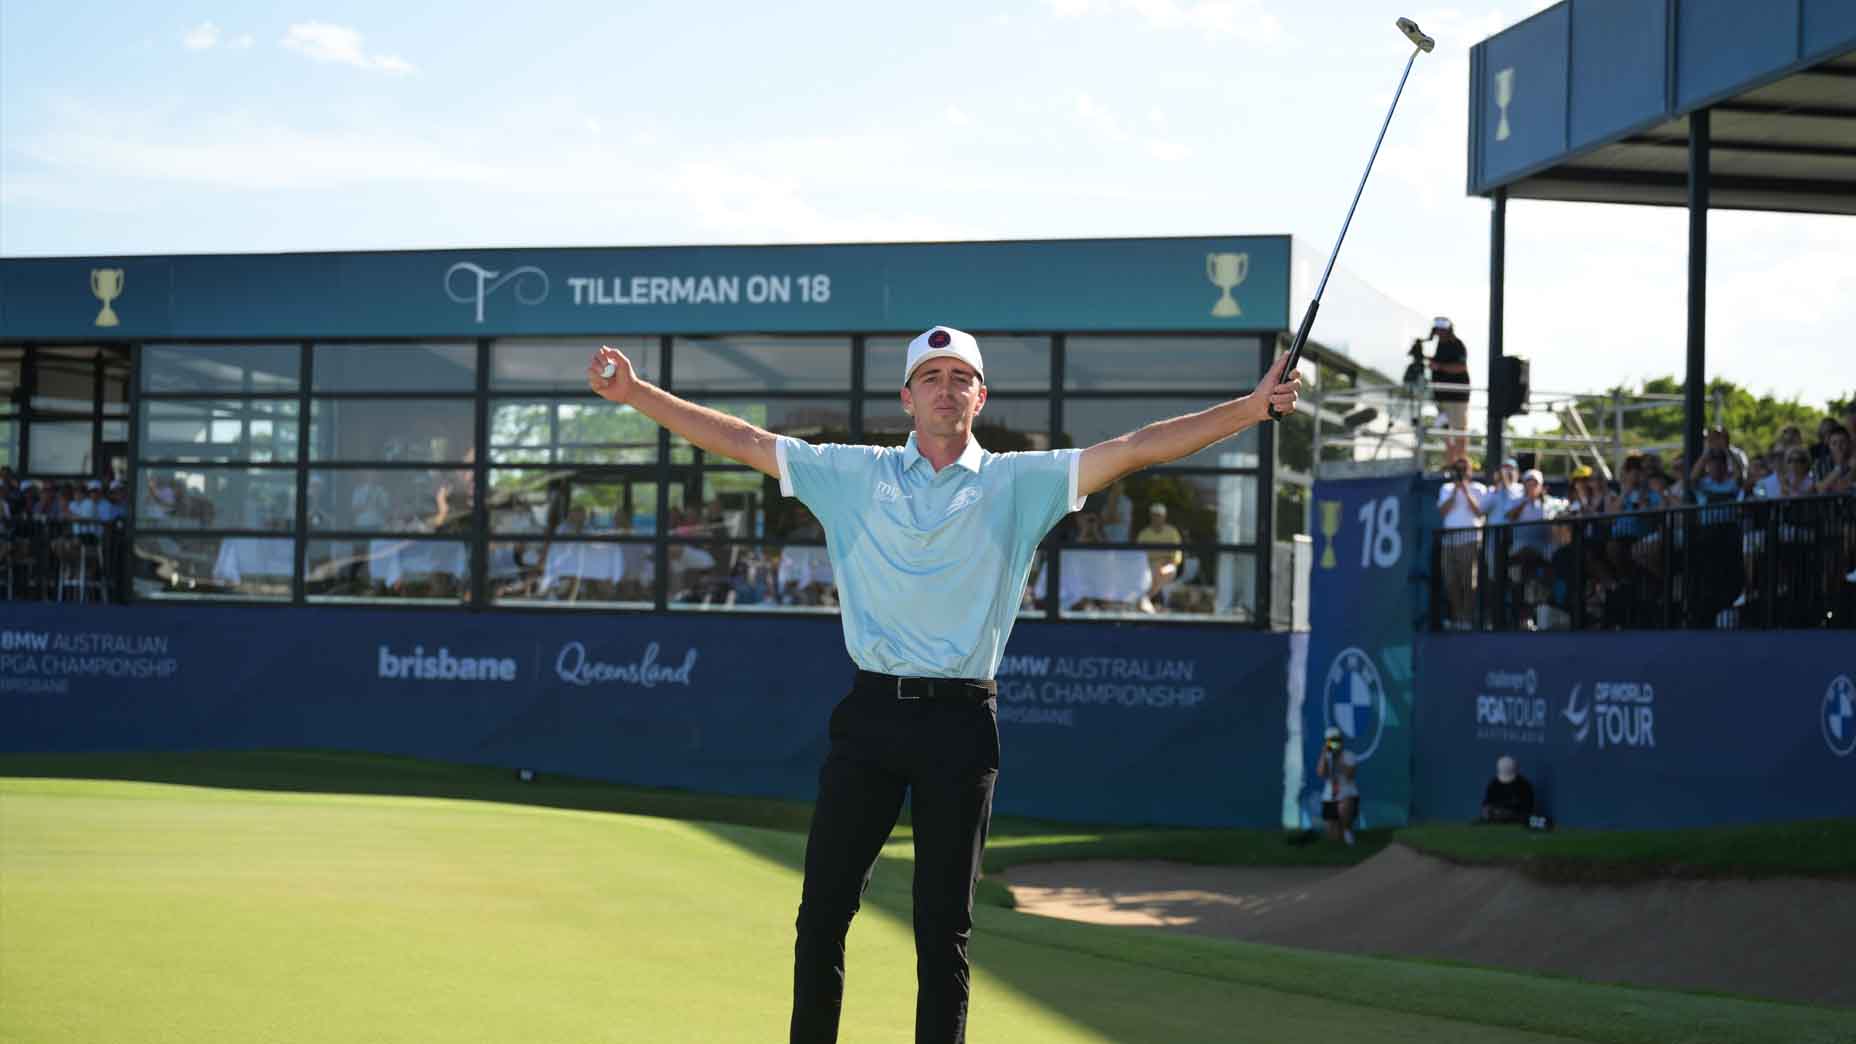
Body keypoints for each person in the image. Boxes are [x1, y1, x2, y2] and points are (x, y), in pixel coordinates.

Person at [587, 326, 1300, 1044]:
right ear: (906, 397)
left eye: (962, 377)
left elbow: (1139, 447)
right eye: (932, 377)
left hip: (960, 727)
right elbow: (741, 439)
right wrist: (635, 393)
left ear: (981, 396)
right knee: (823, 915)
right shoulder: (853, 472)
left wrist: (1251, 408)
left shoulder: (1020, 482)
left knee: (942, 931)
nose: (947, 388)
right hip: (869, 718)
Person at [1437, 456, 1486, 629]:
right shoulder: (1446, 488)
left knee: (1468, 581)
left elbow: (1480, 512)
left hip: (1470, 540)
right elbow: (1443, 511)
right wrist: (1454, 492)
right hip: (1449, 541)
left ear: (1470, 471)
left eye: (1464, 469)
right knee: (1450, 580)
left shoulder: (1479, 489)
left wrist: (1465, 491)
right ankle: (1458, 617)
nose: (1461, 473)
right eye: (1458, 469)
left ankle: (1467, 617)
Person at [1427, 317, 1471, 461]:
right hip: (1442, 397)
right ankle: (1451, 461)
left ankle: (1461, 463)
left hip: (1456, 397)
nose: (1439, 333)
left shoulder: (1457, 345)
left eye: (1442, 330)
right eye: (1437, 330)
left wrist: (1439, 366)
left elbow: (1460, 367)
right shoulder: (1439, 345)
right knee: (1445, 431)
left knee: (1459, 431)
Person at [1134, 502, 1184, 613]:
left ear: (1164, 517)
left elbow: (1177, 556)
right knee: (1153, 571)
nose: (1156, 518)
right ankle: (1149, 602)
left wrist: (1166, 562)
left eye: (1159, 515)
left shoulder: (1172, 532)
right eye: (1154, 515)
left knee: (1167, 571)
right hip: (1149, 566)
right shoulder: (1144, 534)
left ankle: (1145, 598)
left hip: (1168, 566)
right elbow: (1138, 556)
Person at [1314, 725, 1359, 845]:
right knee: (1333, 838)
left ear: (1341, 741)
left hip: (1347, 795)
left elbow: (1350, 775)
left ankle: (1347, 830)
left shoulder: (1349, 755)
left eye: (1336, 740)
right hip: (1329, 796)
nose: (1334, 744)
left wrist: (1338, 758)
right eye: (1331, 741)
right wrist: (1324, 754)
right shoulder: (1325, 756)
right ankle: (1339, 829)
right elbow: (1320, 773)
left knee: (1344, 804)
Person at [1479, 755, 1535, 824]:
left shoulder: (1524, 786)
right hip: (1495, 819)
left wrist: (1508, 813)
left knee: (1532, 820)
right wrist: (1487, 811)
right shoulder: (1493, 784)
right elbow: (1487, 804)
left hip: (1519, 818)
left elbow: (1528, 810)